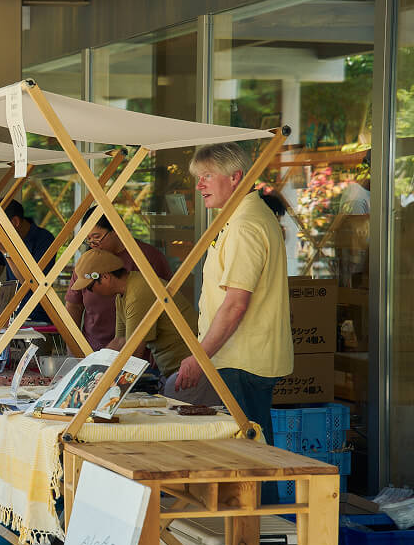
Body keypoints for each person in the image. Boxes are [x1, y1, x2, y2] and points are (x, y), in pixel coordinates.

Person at [178, 143, 293, 501]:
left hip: (242, 360)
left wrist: (199, 356)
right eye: (198, 177)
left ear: (236, 177)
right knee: (252, 455)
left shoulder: (244, 224)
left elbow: (235, 306)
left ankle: (261, 539)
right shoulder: (240, 218)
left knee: (251, 460)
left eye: (207, 176)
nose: (200, 185)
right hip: (241, 357)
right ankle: (258, 536)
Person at [69, 249, 213, 404]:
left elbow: (134, 351)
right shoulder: (122, 294)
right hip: (173, 369)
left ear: (105, 277)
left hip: (190, 371)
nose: (89, 292)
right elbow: (120, 340)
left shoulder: (138, 292)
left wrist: (100, 383)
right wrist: (91, 368)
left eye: (89, 287)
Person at [65, 207, 173, 350]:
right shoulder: (88, 261)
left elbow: (167, 304)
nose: (93, 245)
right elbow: (74, 305)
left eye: (97, 238)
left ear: (116, 230)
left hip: (143, 353)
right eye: (88, 240)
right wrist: (73, 349)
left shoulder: (148, 258)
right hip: (93, 350)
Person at [0, 200, 56, 322]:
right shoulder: (7, 240)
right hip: (12, 311)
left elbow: (30, 282)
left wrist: (6, 253)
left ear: (15, 222)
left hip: (38, 313)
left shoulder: (44, 239)